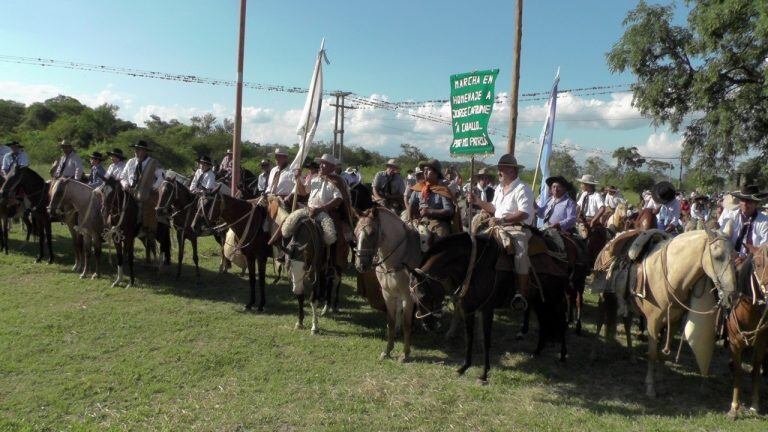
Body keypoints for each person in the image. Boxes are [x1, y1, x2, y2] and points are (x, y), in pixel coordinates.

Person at [470, 154, 534, 296]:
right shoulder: (499, 188)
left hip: (517, 229)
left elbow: (524, 213)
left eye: (501, 169)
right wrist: (477, 201)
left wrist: (502, 220)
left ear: (512, 170)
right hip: (497, 226)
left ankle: (521, 292)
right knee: (476, 242)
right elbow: (494, 208)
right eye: (499, 169)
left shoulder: (523, 189)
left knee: (521, 253)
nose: (498, 172)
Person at [294, 153, 354, 268]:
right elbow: (303, 192)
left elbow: (338, 199)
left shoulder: (337, 180)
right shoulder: (314, 178)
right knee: (289, 223)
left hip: (327, 213)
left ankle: (334, 262)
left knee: (332, 236)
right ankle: (288, 252)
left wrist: (321, 209)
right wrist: (298, 179)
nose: (321, 166)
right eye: (321, 163)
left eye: (325, 164)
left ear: (332, 167)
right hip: (309, 210)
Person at [718, 184, 768, 265]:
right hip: (730, 260)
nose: (744, 204)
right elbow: (722, 240)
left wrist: (747, 258)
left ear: (756, 203)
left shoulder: (765, 222)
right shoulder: (730, 217)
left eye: (749, 201)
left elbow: (765, 248)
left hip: (754, 263)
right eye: (742, 200)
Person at [408, 159, 455, 238]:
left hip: (438, 223)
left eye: (428, 170)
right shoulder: (419, 187)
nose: (425, 172)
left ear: (436, 173)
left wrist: (430, 211)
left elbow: (449, 211)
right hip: (421, 221)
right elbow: (411, 204)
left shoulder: (442, 189)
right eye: (424, 170)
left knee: (440, 240)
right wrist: (410, 220)